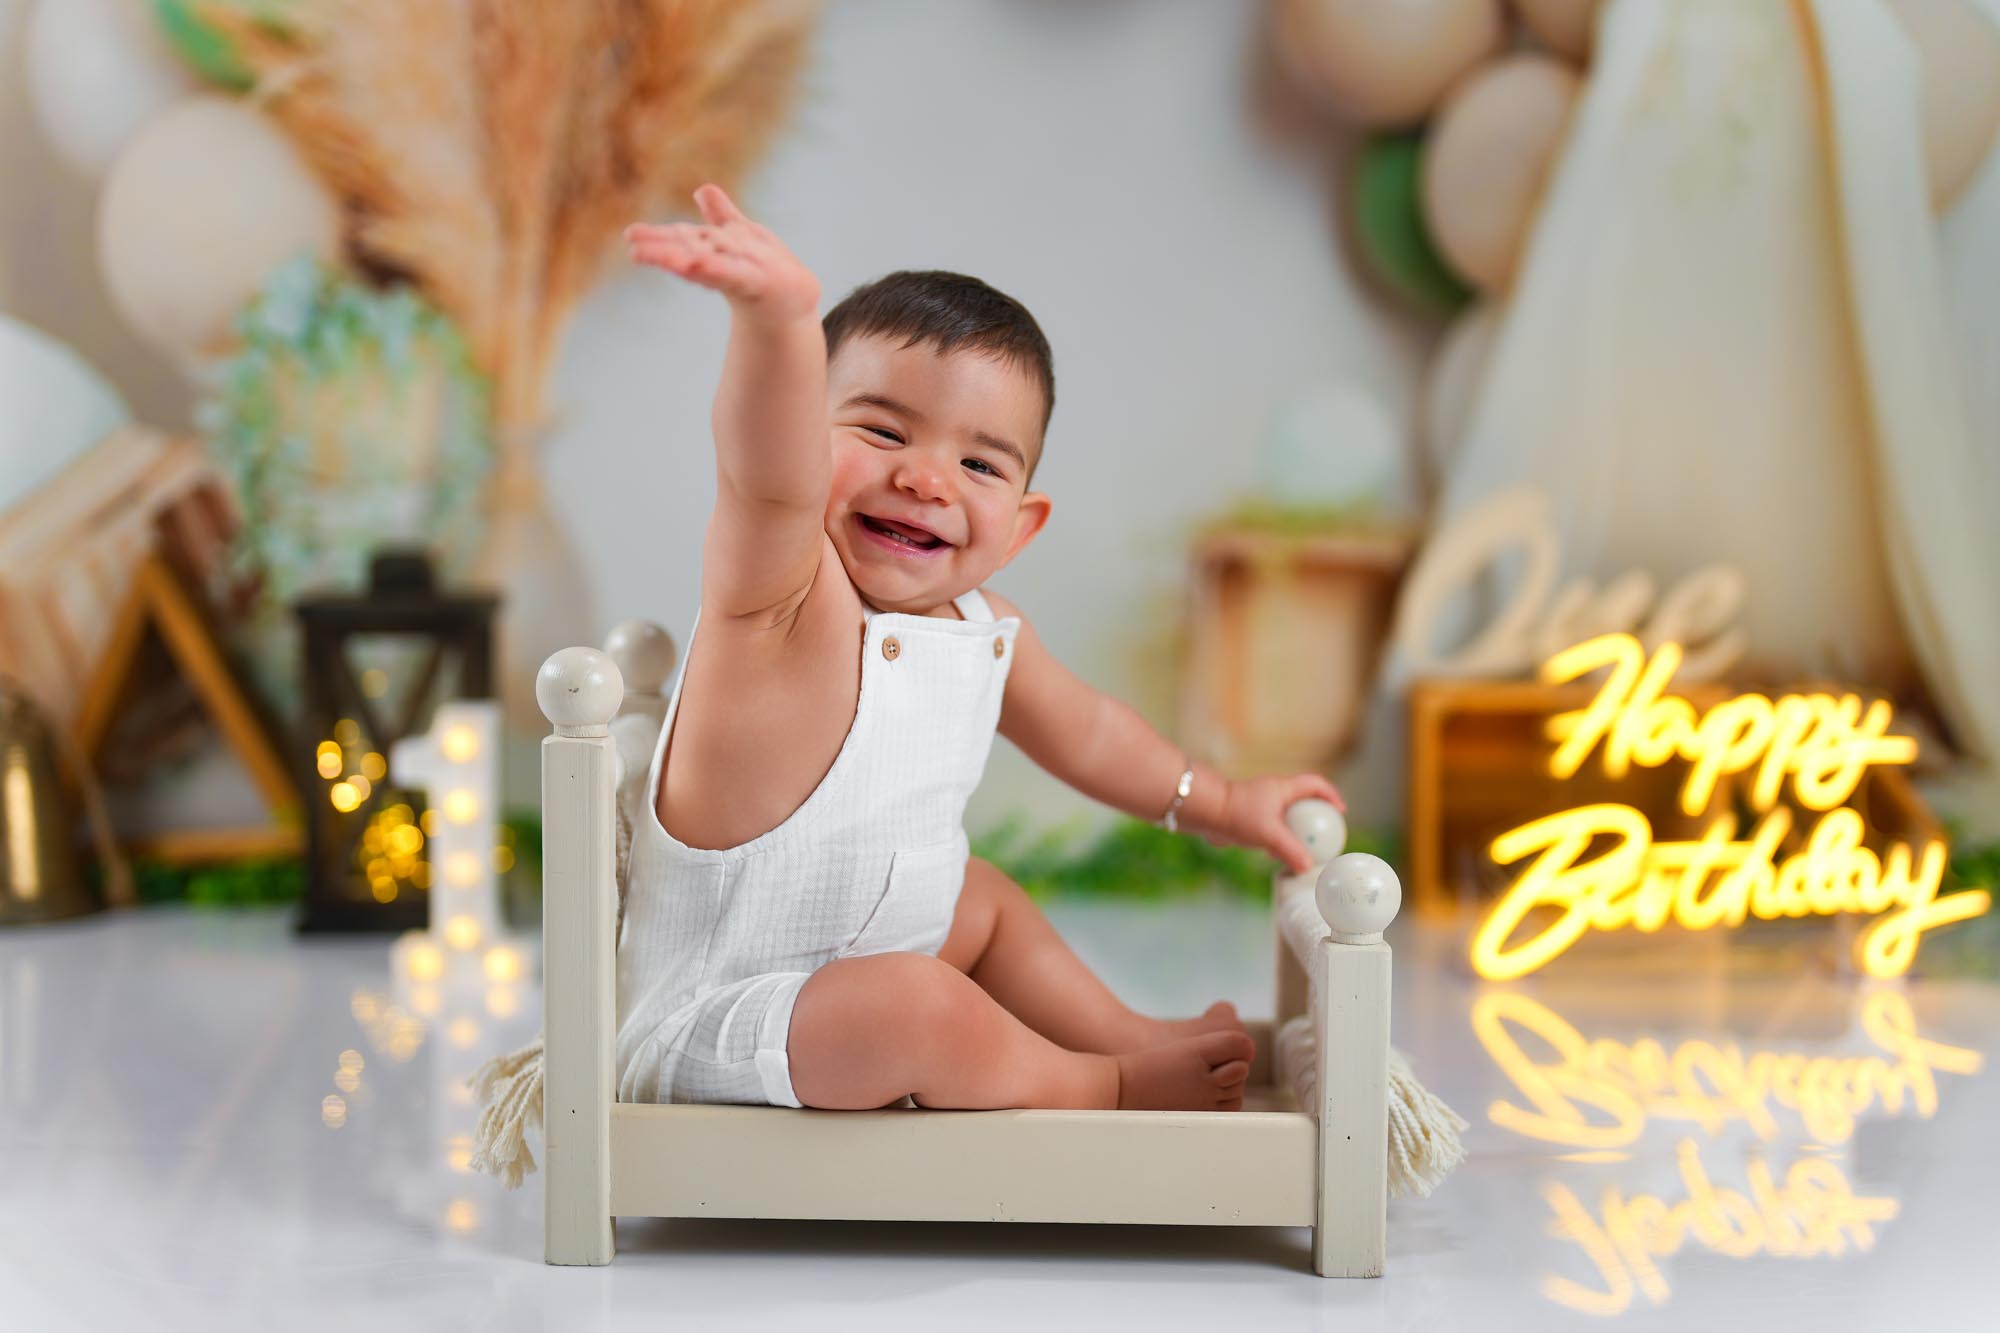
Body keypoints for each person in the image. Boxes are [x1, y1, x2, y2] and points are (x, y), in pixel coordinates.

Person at [615, 184, 1345, 1114]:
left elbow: (1088, 733)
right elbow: (767, 479)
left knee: (984, 899)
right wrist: (778, 323)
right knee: (919, 1004)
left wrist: (1229, 801)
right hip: (725, 1025)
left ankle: (1126, 1033)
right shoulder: (779, 594)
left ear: (1021, 526)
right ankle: (1105, 1081)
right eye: (881, 430)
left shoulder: (982, 628)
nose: (924, 479)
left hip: (856, 974)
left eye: (980, 464)